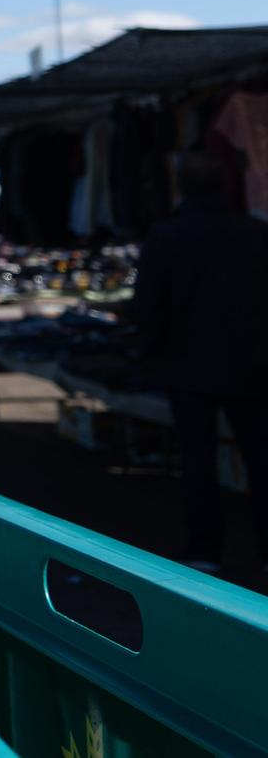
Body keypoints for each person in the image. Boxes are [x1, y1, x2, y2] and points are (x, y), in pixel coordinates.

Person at [128, 151, 268, 573]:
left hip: (190, 364)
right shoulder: (256, 232)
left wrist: (146, 352)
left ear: (182, 186)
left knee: (198, 461)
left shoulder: (167, 236)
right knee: (261, 459)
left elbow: (148, 305)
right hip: (253, 364)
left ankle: (205, 549)